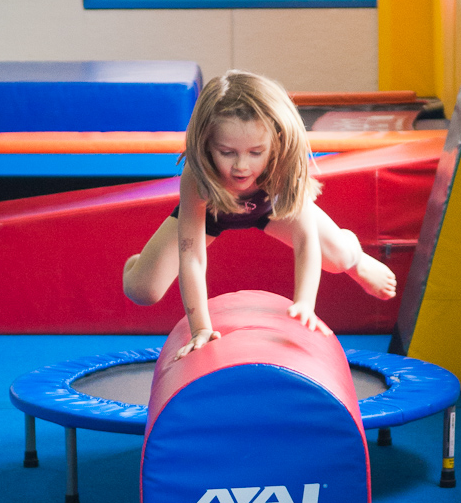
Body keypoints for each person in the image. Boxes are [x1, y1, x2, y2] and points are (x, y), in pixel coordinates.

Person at [123, 70, 396, 360]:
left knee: (339, 258)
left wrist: (305, 302)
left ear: (275, 141)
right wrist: (200, 328)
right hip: (214, 211)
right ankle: (139, 263)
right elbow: (192, 257)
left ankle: (357, 258)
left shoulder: (285, 162)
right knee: (143, 291)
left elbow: (305, 241)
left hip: (273, 209)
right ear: (206, 142)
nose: (241, 166)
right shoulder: (198, 173)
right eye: (227, 152)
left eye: (255, 153)